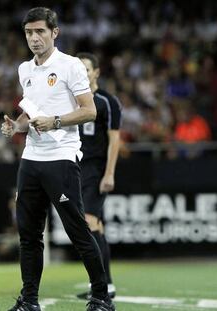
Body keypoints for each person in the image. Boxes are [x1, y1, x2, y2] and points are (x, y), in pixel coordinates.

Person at [1, 7, 114, 311]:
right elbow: (32, 112)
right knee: (28, 235)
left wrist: (56, 121)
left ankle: (102, 297)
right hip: (31, 158)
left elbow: (89, 110)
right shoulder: (25, 69)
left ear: (54, 33)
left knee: (78, 231)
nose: (34, 38)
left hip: (62, 156)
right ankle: (30, 301)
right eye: (29, 32)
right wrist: (17, 125)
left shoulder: (71, 65)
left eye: (40, 32)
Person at [76, 53, 122, 300]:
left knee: (89, 223)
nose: (82, 72)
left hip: (96, 170)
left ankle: (100, 287)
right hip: (76, 169)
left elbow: (115, 139)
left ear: (96, 73)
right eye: (78, 68)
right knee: (97, 227)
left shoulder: (107, 101)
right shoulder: (73, 101)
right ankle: (107, 285)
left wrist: (110, 173)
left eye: (86, 69)